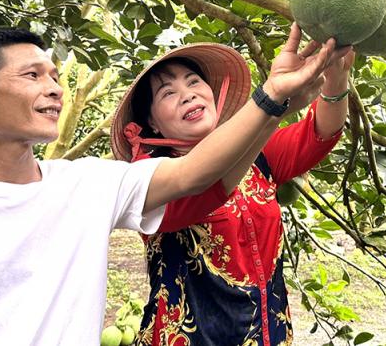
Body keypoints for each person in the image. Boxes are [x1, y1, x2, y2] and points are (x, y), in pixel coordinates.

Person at [0, 25, 349, 346]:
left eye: (53, 76)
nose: (55, 89)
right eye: (32, 76)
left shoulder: (89, 184)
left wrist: (288, 92)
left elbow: (199, 177)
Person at [111, 23, 354, 346]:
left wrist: (336, 75)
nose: (188, 94)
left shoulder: (258, 155)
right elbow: (198, 184)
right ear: (152, 122)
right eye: (168, 93)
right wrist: (272, 106)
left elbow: (320, 133)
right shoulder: (149, 175)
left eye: (194, 82)